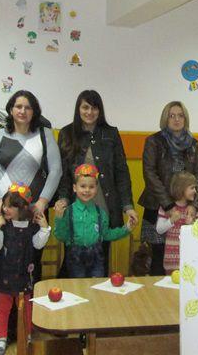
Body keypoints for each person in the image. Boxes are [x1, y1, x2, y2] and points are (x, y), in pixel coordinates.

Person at [55, 90, 137, 275]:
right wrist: (63, 198)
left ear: (100, 110)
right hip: (76, 207)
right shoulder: (67, 133)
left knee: (100, 262)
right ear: (78, 109)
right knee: (73, 262)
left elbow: (121, 172)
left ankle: (98, 293)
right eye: (85, 107)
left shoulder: (111, 134)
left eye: (94, 108)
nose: (89, 112)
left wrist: (127, 206)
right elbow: (63, 173)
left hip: (104, 205)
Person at [0, 90, 62, 275]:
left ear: (34, 111)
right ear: (11, 110)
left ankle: (31, 295)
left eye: (28, 107)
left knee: (32, 264)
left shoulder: (45, 134)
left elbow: (56, 171)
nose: (22, 111)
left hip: (34, 210)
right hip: (4, 211)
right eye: (18, 106)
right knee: (3, 266)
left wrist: (43, 202)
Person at [138, 101, 198, 275]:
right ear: (165, 119)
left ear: (185, 118)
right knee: (157, 259)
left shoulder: (194, 144)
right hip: (157, 205)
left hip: (186, 209)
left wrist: (194, 205)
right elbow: (149, 174)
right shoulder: (153, 141)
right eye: (172, 116)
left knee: (187, 256)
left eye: (180, 115)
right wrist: (168, 205)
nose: (176, 119)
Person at [0, 184, 50, 355]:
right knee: (3, 307)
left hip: (24, 275)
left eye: (10, 206)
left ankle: (27, 335)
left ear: (22, 208)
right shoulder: (4, 225)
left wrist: (44, 227)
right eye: (5, 205)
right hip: (4, 274)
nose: (5, 209)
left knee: (27, 308)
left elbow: (38, 244)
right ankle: (1, 338)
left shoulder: (31, 226)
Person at [54, 164, 134, 277]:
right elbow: (61, 236)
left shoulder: (101, 213)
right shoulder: (68, 212)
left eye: (91, 187)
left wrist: (126, 229)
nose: (87, 190)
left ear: (96, 188)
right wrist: (59, 218)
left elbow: (107, 234)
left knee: (96, 285)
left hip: (97, 259)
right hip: (75, 259)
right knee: (78, 285)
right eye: (83, 186)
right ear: (74, 188)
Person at [155, 171, 198, 274]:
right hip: (171, 260)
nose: (195, 191)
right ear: (181, 189)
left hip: (190, 259)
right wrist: (171, 220)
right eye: (192, 188)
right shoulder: (167, 208)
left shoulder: (194, 210)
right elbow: (159, 229)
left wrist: (191, 225)